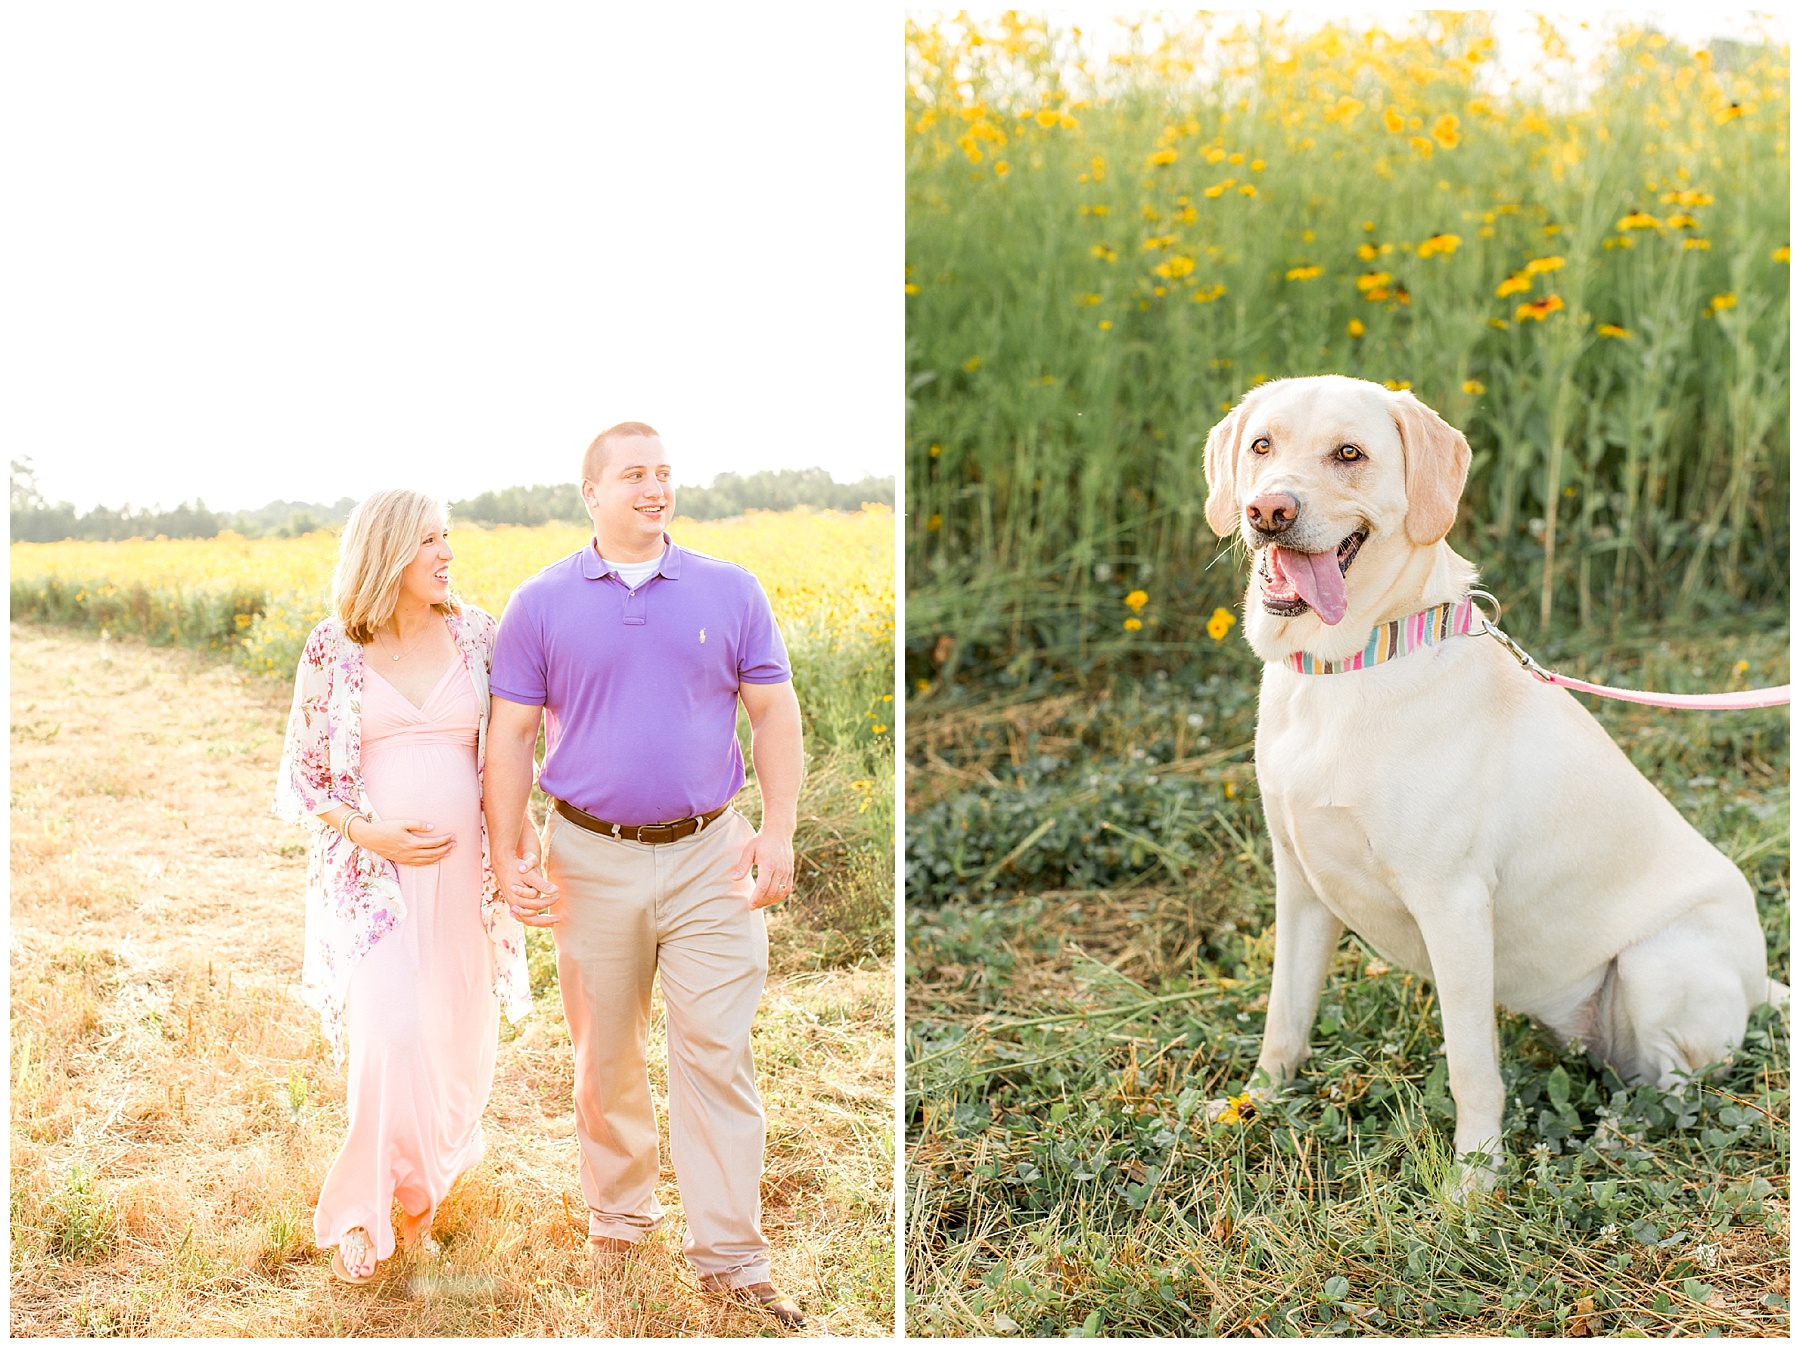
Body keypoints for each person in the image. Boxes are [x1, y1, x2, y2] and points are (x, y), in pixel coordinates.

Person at [483, 421, 806, 1326]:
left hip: (712, 855)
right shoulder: (540, 602)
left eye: (663, 472)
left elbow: (774, 714)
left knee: (717, 1052)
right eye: (634, 474)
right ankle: (620, 1219)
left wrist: (779, 830)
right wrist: (508, 850)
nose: (655, 488)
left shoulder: (730, 589)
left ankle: (731, 1257)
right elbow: (510, 736)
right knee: (606, 1054)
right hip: (588, 857)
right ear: (592, 492)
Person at [274, 488, 531, 1285]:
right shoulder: (333, 648)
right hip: (371, 883)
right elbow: (305, 778)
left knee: (452, 1045)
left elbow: (513, 749)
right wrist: (367, 832)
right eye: (428, 540)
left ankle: (415, 1207)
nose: (447, 552)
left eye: (447, 536)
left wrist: (523, 842)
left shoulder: (478, 634)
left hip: (463, 882)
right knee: (391, 1034)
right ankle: (361, 1211)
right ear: (387, 551)